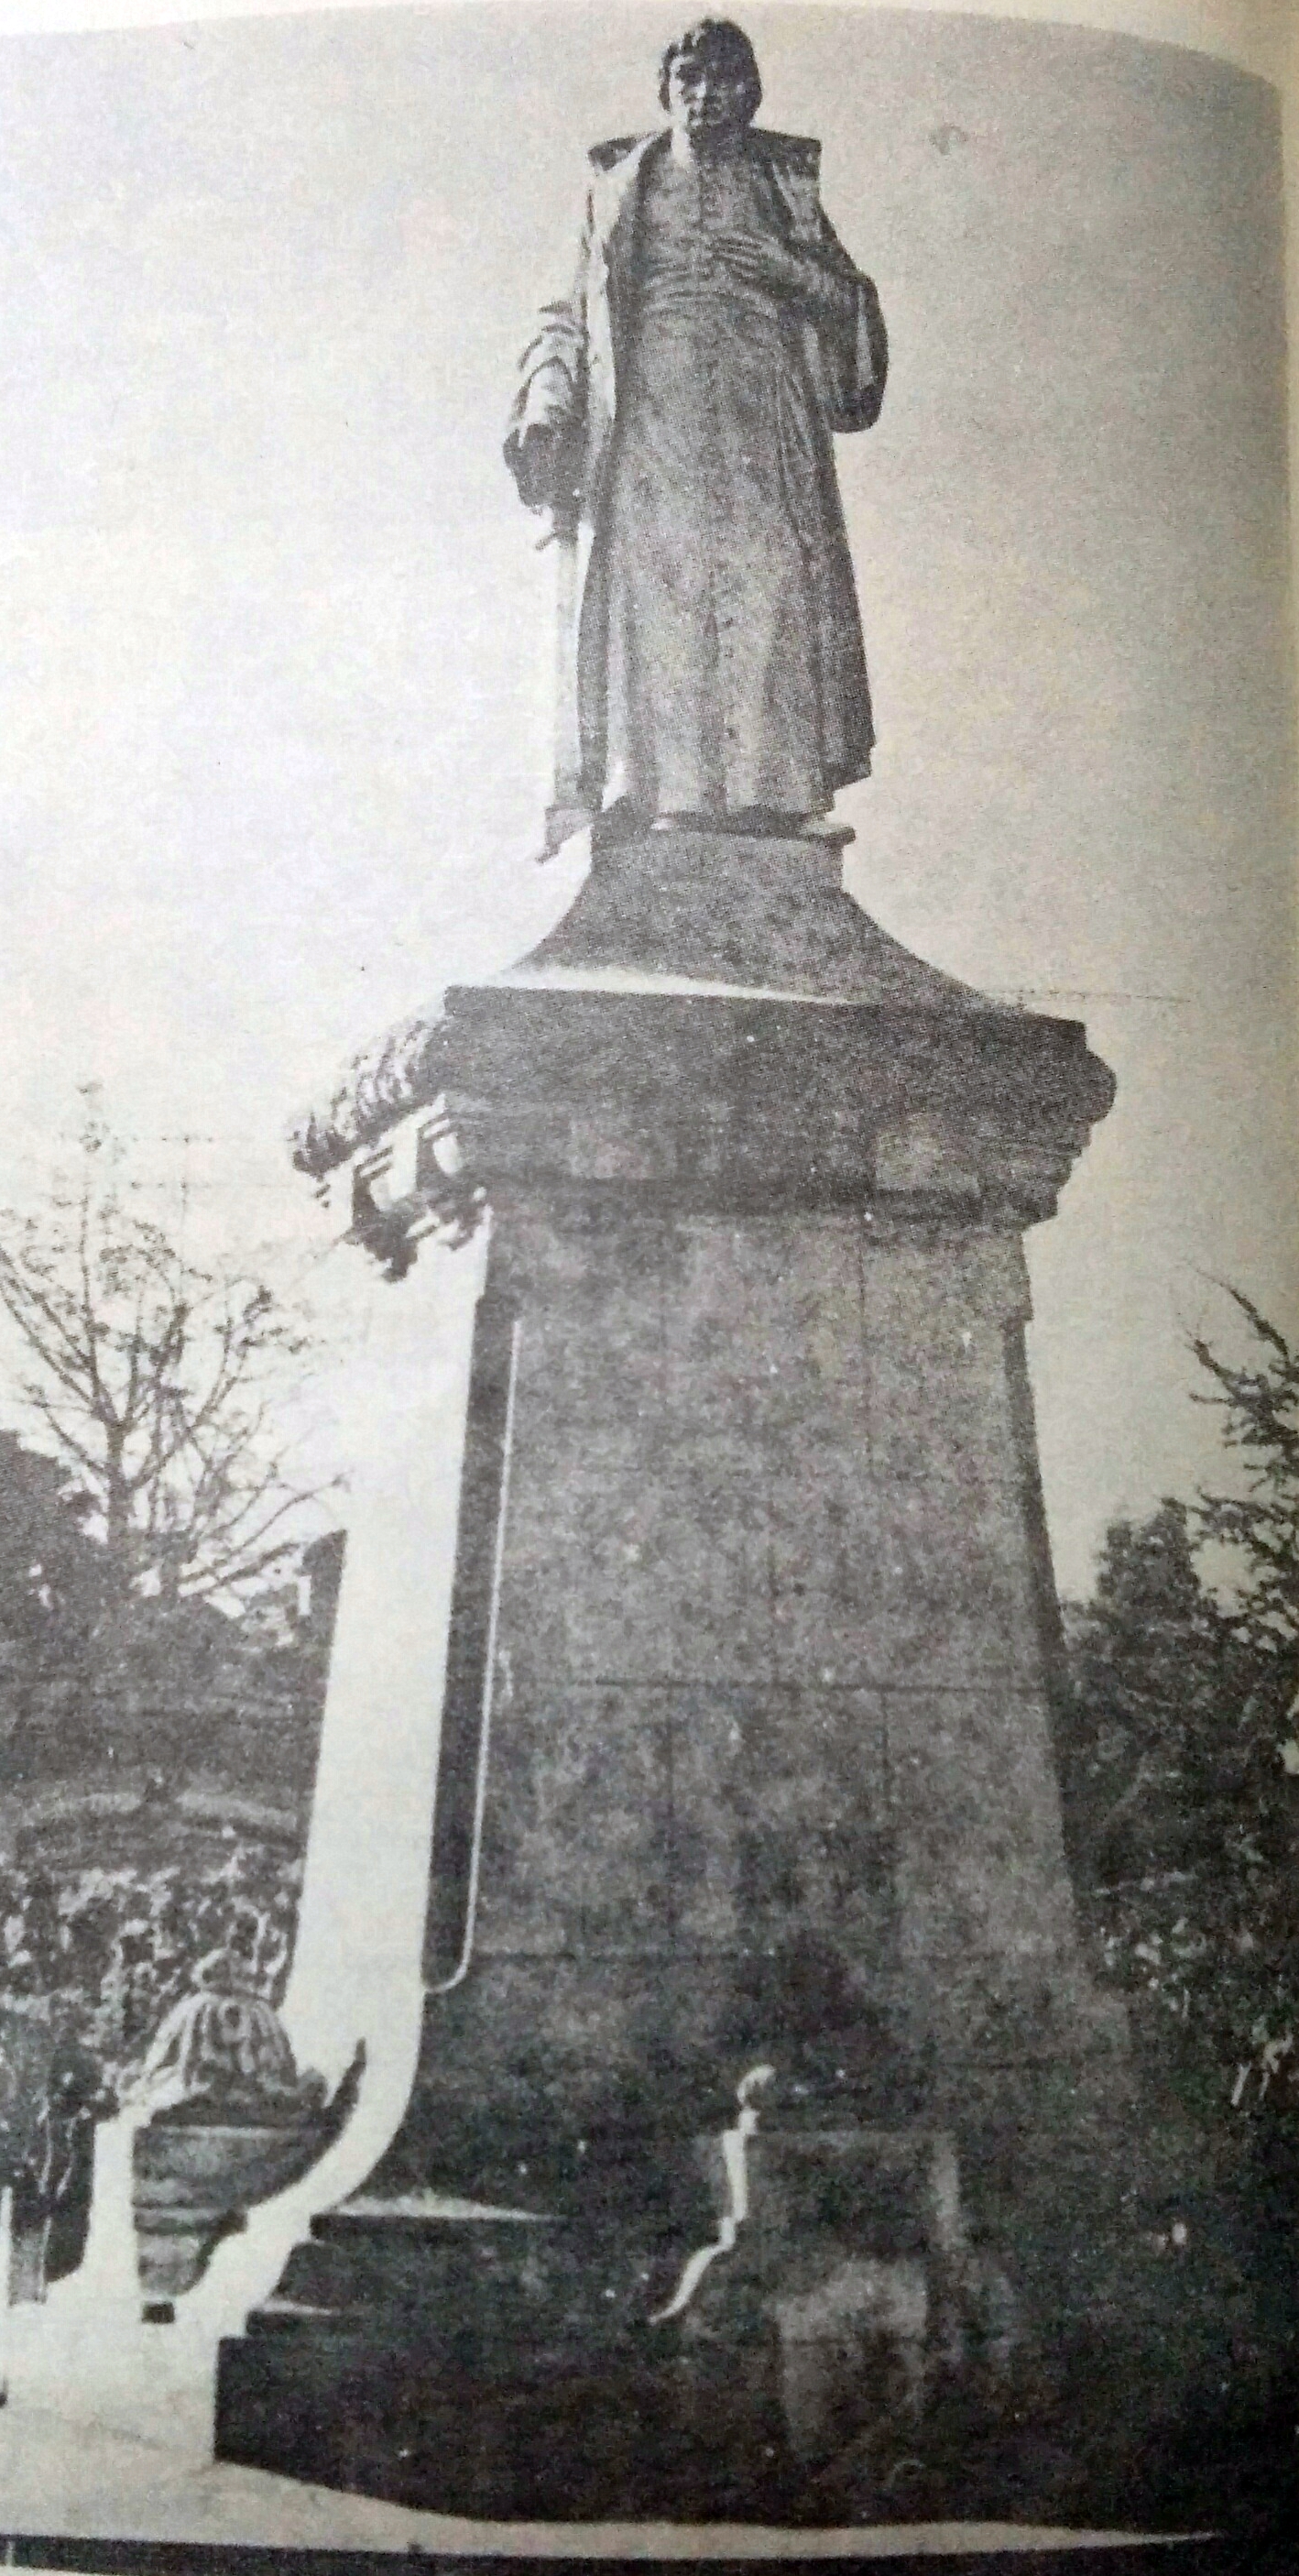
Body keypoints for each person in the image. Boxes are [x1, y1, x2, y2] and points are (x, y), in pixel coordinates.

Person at [506, 17, 888, 838]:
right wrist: (546, 405)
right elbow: (565, 313)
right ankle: (662, 796)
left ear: (750, 94)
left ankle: (772, 795)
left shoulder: (785, 191)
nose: (705, 97)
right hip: (654, 420)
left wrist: (786, 271)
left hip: (765, 424)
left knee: (774, 584)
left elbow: (851, 303)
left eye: (723, 82)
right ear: (667, 91)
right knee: (659, 594)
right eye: (689, 82)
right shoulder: (617, 189)